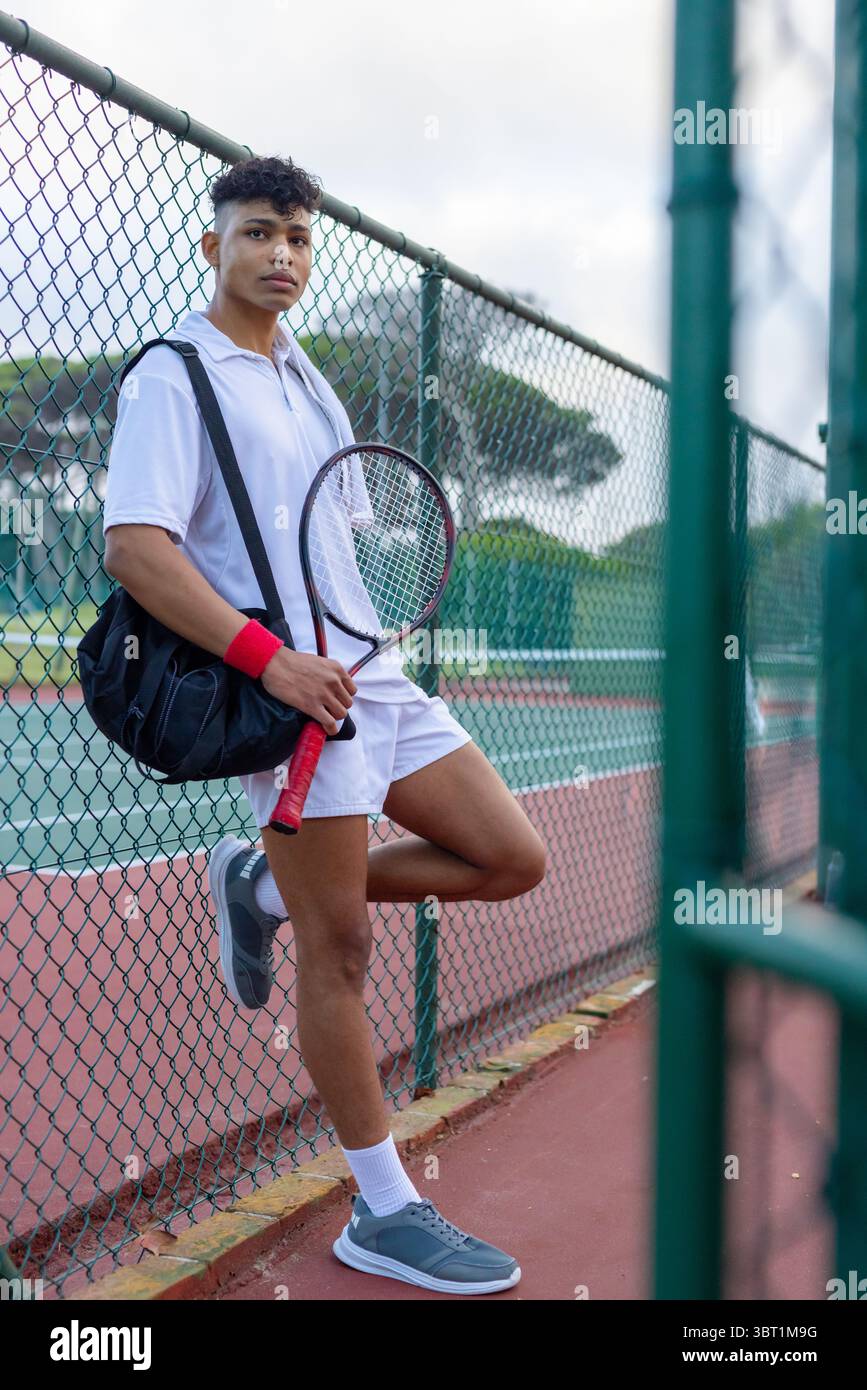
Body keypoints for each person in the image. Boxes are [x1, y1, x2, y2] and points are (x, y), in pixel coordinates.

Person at [102, 154, 546, 1295]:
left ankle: (258, 886)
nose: (282, 256)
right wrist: (273, 662)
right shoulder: (172, 376)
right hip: (293, 695)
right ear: (214, 247)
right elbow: (138, 550)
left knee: (509, 857)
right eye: (259, 233)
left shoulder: (309, 381)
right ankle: (385, 1208)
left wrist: (350, 648)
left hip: (371, 682)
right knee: (338, 948)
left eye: (299, 238)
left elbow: (332, 545)